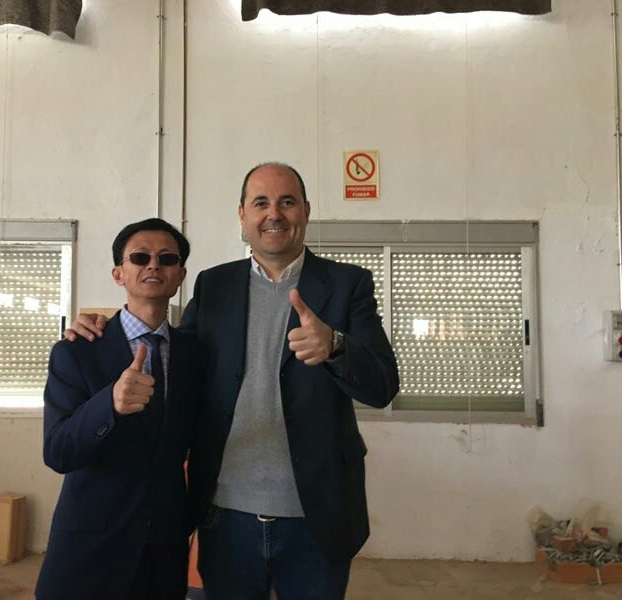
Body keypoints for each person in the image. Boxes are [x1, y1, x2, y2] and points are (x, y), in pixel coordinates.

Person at [69, 163, 400, 599]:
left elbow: (382, 385)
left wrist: (337, 346)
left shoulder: (347, 284)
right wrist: (104, 330)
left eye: (286, 202)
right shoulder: (214, 285)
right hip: (224, 516)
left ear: (305, 211)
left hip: (316, 517)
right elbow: (172, 357)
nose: (274, 214)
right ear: (243, 215)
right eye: (261, 203)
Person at [35, 218, 201, 600]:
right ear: (118, 273)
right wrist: (108, 404)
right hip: (90, 547)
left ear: (180, 276)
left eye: (167, 259)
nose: (153, 265)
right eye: (140, 257)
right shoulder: (76, 351)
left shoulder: (195, 355)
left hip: (163, 552)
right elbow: (58, 451)